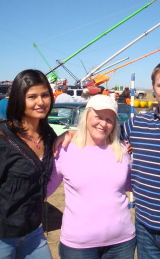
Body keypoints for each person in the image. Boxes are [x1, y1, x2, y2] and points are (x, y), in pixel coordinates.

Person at [54, 60, 160, 258]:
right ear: (154, 88)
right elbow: (103, 131)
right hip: (144, 232)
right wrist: (72, 133)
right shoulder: (137, 124)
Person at [0, 69, 57, 259]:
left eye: (45, 95)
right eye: (32, 96)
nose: (40, 102)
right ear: (18, 99)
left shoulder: (49, 135)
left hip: (33, 232)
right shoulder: (1, 138)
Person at [47, 95, 135, 258]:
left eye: (109, 120)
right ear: (86, 116)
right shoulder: (65, 149)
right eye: (98, 117)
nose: (103, 123)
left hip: (122, 244)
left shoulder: (121, 149)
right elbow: (44, 190)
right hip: (79, 246)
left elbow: (132, 184)